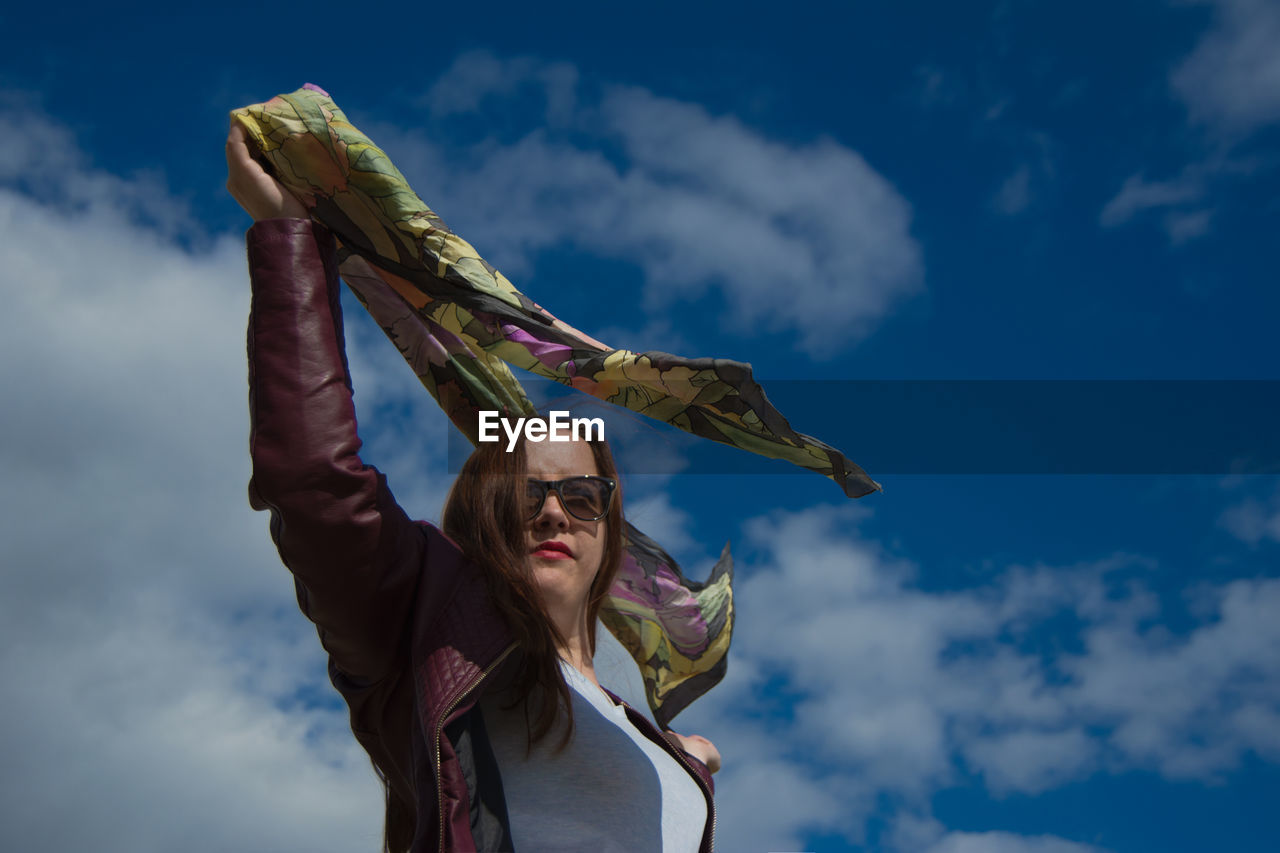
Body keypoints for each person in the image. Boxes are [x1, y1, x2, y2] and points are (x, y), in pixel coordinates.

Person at [227, 123, 721, 853]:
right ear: (483, 516)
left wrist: (687, 774)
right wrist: (288, 238)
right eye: (526, 494)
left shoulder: (668, 754)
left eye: (582, 496)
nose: (554, 510)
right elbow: (312, 482)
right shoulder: (423, 632)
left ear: (611, 529)